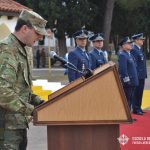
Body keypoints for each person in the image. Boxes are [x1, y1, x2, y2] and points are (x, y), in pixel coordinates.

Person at [0, 9, 47, 150]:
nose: (40, 37)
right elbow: (3, 91)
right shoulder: (6, 50)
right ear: (25, 28)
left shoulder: (25, 49)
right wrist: (30, 110)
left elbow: (22, 88)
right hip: (5, 128)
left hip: (18, 124)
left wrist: (40, 102)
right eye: (37, 33)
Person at [118, 37, 139, 112]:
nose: (131, 44)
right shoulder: (123, 55)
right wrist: (127, 81)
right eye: (129, 43)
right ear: (123, 46)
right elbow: (123, 70)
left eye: (131, 43)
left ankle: (129, 115)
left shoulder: (130, 55)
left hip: (133, 81)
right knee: (127, 100)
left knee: (130, 98)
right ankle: (127, 116)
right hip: (128, 82)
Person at [131, 33, 147, 115]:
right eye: (141, 39)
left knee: (140, 92)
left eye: (143, 39)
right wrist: (135, 75)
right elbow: (134, 64)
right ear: (136, 40)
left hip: (142, 75)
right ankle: (135, 108)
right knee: (136, 92)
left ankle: (139, 107)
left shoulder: (139, 49)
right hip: (137, 75)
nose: (143, 40)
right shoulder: (134, 49)